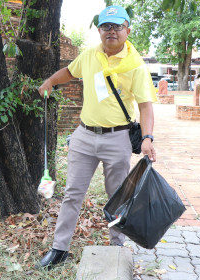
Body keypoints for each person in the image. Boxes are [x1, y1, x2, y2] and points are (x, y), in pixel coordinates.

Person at [36, 5, 157, 269]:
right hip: (84, 136)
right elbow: (69, 72)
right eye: (106, 26)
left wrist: (147, 137)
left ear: (127, 29)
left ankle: (117, 246)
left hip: (117, 139)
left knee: (117, 195)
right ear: (99, 30)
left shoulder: (135, 64)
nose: (111, 31)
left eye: (117, 26)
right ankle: (59, 249)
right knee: (72, 194)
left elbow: (146, 105)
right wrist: (49, 82)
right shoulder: (89, 56)